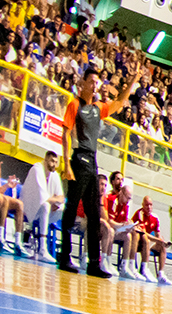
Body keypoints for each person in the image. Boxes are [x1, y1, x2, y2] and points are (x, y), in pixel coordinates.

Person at [60, 64, 141, 278]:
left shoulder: (99, 107)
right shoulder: (74, 104)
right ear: (83, 83)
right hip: (78, 158)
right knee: (70, 209)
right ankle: (65, 256)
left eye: (98, 82)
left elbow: (120, 102)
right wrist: (66, 163)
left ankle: (94, 263)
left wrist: (133, 80)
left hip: (92, 162)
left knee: (95, 214)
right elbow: (66, 133)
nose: (96, 85)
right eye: (92, 82)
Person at [18, 148, 65, 263]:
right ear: (45, 160)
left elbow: (62, 198)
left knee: (60, 210)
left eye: (56, 162)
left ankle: (41, 245)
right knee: (45, 206)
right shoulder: (36, 169)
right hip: (27, 206)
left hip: (43, 211)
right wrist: (53, 200)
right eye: (52, 161)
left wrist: (54, 202)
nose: (54, 164)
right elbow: (42, 197)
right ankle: (42, 249)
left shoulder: (55, 175)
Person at [130, 197, 165, 278]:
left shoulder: (155, 217)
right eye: (146, 205)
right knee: (146, 239)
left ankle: (161, 274)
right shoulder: (140, 213)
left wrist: (161, 241)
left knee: (162, 246)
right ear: (142, 205)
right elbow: (144, 233)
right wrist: (157, 240)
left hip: (149, 243)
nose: (149, 207)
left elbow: (158, 235)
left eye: (150, 205)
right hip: (139, 241)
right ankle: (144, 268)